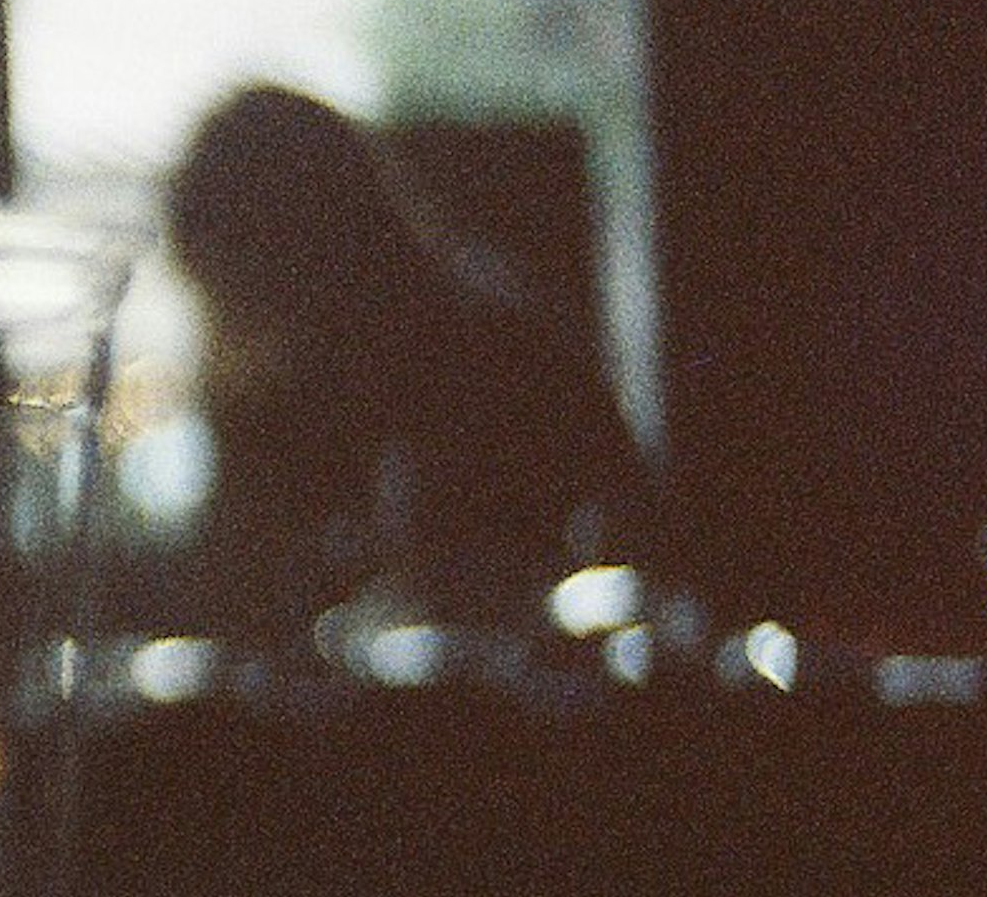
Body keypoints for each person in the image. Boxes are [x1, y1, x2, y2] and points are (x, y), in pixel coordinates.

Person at [158, 83, 651, 647]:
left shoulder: (500, 366)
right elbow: (239, 606)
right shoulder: (271, 409)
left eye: (236, 297)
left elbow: (624, 565)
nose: (228, 333)